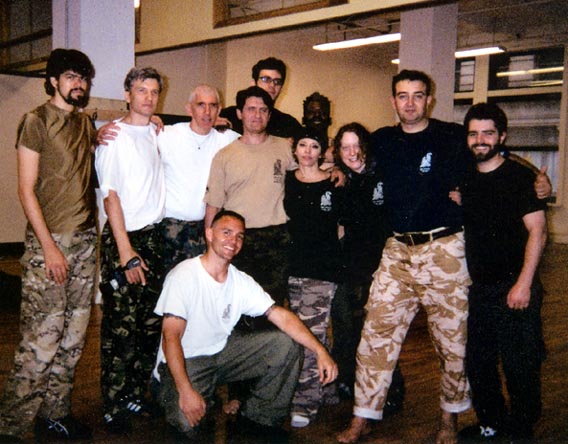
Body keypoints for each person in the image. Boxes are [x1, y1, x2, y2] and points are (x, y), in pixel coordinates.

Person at [337, 69, 551, 444]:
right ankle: (362, 417)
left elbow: (497, 154)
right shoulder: (383, 141)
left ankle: (449, 420)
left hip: (444, 250)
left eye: (418, 95)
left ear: (429, 100)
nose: (410, 103)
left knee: (453, 342)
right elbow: (351, 160)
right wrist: (332, 170)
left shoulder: (453, 136)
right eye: (402, 96)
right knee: (374, 335)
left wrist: (539, 183)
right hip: (398, 250)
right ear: (393, 101)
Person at [152, 210, 338, 442]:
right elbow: (171, 337)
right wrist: (186, 391)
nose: (233, 241)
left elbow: (280, 315)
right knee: (186, 423)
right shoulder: (184, 275)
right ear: (209, 234)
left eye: (239, 236)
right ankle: (179, 394)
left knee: (286, 343)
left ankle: (258, 419)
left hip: (222, 352)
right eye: (226, 233)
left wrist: (320, 350)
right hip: (186, 360)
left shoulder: (239, 281)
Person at [0, 48, 97, 443]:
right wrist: (49, 248)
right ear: (54, 80)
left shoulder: (86, 124)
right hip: (49, 245)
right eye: (71, 76)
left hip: (87, 242)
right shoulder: (35, 121)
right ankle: (10, 426)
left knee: (73, 339)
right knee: (41, 341)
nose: (79, 84)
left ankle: (54, 414)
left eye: (84, 78)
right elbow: (26, 191)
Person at [458, 103, 547, 443]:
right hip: (480, 289)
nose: (480, 140)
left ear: (502, 137)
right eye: (474, 134)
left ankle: (521, 429)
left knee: (519, 365)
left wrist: (523, 284)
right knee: (479, 363)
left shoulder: (520, 179)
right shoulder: (467, 177)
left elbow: (538, 232)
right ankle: (490, 423)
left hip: (515, 287)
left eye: (488, 133)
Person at [97, 84, 240, 272]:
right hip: (166, 230)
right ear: (189, 108)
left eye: (213, 106)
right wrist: (98, 134)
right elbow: (134, 131)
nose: (207, 112)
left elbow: (256, 143)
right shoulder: (165, 134)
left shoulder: (227, 139)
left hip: (203, 229)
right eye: (200, 105)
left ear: (219, 110)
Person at [95, 67, 166, 433]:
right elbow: (111, 196)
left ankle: (136, 395)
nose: (148, 97)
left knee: (148, 324)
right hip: (125, 239)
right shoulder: (113, 137)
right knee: (120, 328)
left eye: (154, 91)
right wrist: (125, 252)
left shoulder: (155, 130)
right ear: (127, 94)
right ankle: (112, 402)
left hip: (155, 238)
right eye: (141, 90)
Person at [331, 122, 404, 413]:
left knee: (381, 333)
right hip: (350, 266)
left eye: (356, 145)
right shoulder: (339, 180)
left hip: (384, 265)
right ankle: (348, 383)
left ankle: (391, 389)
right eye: (345, 147)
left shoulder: (384, 174)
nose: (352, 152)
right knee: (347, 329)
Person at [283, 128, 342, 428]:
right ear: (295, 148)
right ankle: (328, 386)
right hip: (292, 267)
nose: (307, 151)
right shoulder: (287, 180)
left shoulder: (334, 181)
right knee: (305, 332)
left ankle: (305, 403)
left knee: (310, 335)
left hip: (322, 269)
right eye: (303, 144)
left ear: (323, 150)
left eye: (314, 146)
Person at [218, 57, 303, 139]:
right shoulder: (228, 115)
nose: (272, 85)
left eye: (277, 81)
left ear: (281, 88)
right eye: (266, 79)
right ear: (253, 83)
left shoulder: (289, 124)